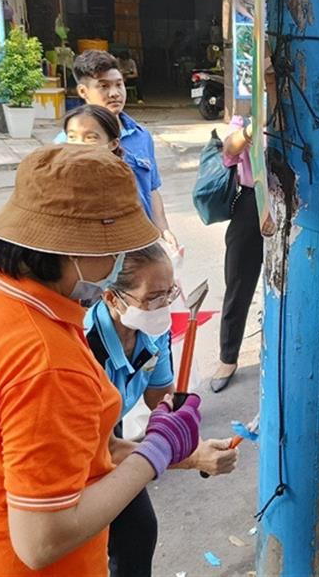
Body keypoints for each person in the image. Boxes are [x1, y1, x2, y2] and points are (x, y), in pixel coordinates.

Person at [0, 145, 203, 576]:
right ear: (77, 251)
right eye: (117, 250)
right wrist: (156, 451)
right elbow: (41, 540)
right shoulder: (47, 361)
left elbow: (75, 448)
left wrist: (175, 453)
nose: (119, 263)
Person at [85, 244, 239, 576]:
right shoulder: (85, 348)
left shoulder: (153, 334)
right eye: (152, 298)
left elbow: (161, 404)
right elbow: (106, 451)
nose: (163, 307)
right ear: (113, 299)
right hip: (72, 455)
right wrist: (194, 457)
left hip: (111, 431)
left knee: (138, 533)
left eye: (169, 295)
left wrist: (183, 430)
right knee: (89, 546)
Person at [61, 49, 177, 247]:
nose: (114, 93)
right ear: (83, 91)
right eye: (103, 86)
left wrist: (163, 229)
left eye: (119, 84)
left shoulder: (141, 136)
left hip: (142, 243)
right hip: (98, 248)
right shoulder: (68, 144)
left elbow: (151, 188)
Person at [210, 114, 267, 393]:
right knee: (239, 283)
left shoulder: (299, 107)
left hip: (295, 201)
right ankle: (227, 358)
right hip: (251, 202)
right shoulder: (250, 111)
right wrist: (252, 128)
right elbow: (230, 149)